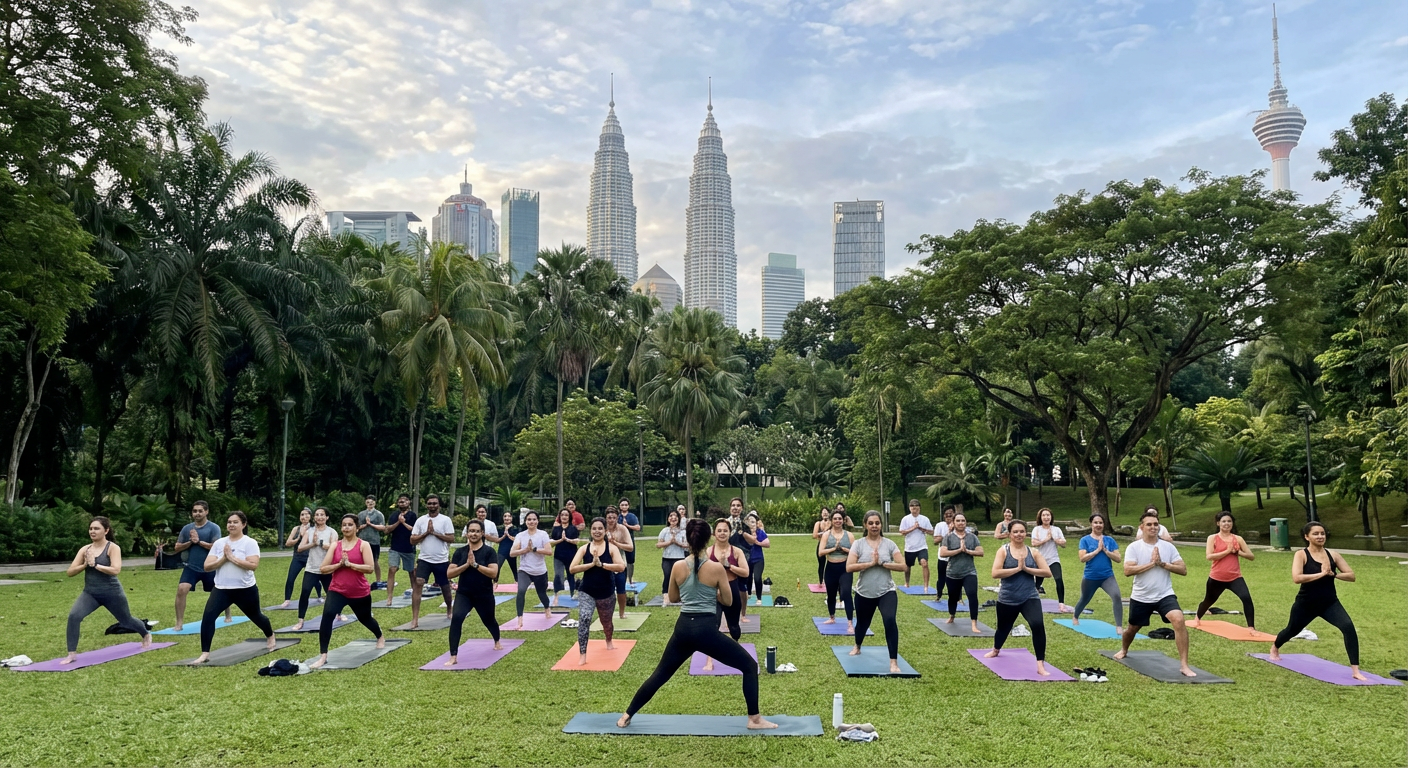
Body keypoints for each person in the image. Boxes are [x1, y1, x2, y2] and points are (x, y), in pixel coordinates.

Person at [618, 518, 776, 731]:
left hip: (683, 628)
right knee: (749, 666)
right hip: (706, 630)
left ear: (688, 540)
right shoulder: (716, 568)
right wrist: (714, 593)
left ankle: (626, 715)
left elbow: (673, 598)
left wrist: (692, 592)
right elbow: (728, 602)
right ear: (707, 539)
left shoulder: (678, 566)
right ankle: (754, 719)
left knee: (661, 674)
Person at [1270, 522, 1365, 680]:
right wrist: (1320, 574)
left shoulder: (1333, 555)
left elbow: (1351, 576)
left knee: (1348, 627)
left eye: (1322, 533)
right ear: (1307, 536)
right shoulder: (1301, 554)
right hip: (1306, 604)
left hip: (1329, 603)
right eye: (1316, 533)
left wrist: (1333, 574)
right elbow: (1297, 578)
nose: (1320, 536)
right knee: (1292, 630)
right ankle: (1275, 647)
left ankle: (1355, 671)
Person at [190, 512, 278, 664]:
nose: (231, 524)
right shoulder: (219, 544)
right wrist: (224, 559)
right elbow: (207, 566)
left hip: (244, 589)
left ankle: (270, 634)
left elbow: (253, 566)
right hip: (222, 589)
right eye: (229, 522)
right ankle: (205, 653)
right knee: (208, 617)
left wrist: (233, 558)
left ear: (243, 524)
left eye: (235, 522)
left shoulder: (249, 543)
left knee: (256, 616)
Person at [62, 517, 152, 663]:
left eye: (96, 528)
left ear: (106, 530)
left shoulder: (112, 548)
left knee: (126, 620)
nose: (92, 531)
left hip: (112, 593)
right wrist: (85, 564)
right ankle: (71, 654)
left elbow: (116, 569)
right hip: (90, 593)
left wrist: (96, 564)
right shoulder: (85, 550)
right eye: (91, 528)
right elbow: (70, 572)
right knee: (74, 616)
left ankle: (145, 634)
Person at [1116, 511, 1194, 678]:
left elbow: (1183, 570)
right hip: (1141, 597)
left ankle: (1184, 665)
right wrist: (1151, 564)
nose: (1153, 527)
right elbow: (1128, 570)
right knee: (1132, 629)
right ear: (1142, 527)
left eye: (1156, 524)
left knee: (1179, 619)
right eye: (1149, 524)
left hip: (1164, 594)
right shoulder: (1134, 547)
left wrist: (1163, 564)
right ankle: (1124, 649)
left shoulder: (1168, 547)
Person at [308, 514, 384, 669]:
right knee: (327, 617)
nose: (347, 527)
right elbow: (323, 568)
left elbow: (369, 568)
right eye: (344, 525)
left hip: (359, 591)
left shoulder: (364, 545)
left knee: (365, 619)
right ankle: (323, 655)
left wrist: (350, 564)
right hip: (337, 590)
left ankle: (380, 636)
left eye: (350, 525)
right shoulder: (336, 545)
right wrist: (339, 565)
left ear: (356, 527)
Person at [986, 520, 1053, 676]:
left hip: (1029, 596)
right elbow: (995, 573)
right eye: (1015, 532)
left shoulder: (1033, 552)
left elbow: (1047, 572)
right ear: (1010, 534)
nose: (1019, 534)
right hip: (1008, 598)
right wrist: (1017, 568)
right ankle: (996, 649)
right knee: (1003, 629)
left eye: (1022, 531)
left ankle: (1040, 665)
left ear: (1026, 533)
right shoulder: (1003, 551)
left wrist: (1026, 569)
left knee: (1037, 625)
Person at [847, 511, 904, 673]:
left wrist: (883, 563)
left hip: (887, 591)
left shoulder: (889, 544)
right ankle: (857, 645)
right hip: (864, 592)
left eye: (877, 523)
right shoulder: (858, 544)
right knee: (863, 624)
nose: (874, 526)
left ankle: (893, 661)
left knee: (890, 620)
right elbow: (849, 567)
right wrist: (871, 563)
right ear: (865, 525)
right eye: (870, 523)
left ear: (881, 525)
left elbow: (903, 566)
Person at [444, 519, 502, 665]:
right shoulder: (460, 552)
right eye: (471, 531)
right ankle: (453, 656)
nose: (473, 534)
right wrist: (466, 565)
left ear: (482, 533)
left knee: (489, 621)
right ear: (466, 533)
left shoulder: (489, 552)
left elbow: (493, 573)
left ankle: (497, 640)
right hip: (465, 593)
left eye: (476, 531)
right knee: (456, 618)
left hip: (484, 594)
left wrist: (475, 565)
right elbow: (449, 574)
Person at [570, 517, 626, 665]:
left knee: (606, 622)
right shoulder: (584, 548)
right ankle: (582, 654)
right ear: (590, 531)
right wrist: (591, 564)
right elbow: (572, 568)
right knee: (584, 617)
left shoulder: (611, 548)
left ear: (605, 531)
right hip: (586, 590)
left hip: (606, 592)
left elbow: (621, 567)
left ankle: (608, 639)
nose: (597, 531)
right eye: (594, 528)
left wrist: (602, 565)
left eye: (600, 528)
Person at [1193, 512, 1257, 630]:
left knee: (1246, 598)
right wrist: (1227, 551)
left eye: (1229, 521)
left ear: (1232, 523)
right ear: (1218, 523)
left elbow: (1251, 556)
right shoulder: (1212, 538)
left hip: (1235, 577)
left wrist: (1238, 552)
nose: (1226, 524)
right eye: (1223, 521)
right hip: (1217, 577)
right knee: (1209, 600)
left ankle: (1251, 627)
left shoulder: (1238, 539)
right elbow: (1209, 556)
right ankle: (1197, 617)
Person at [703, 517, 750, 671]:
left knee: (734, 627)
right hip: (713, 591)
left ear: (730, 533)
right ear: (714, 533)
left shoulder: (736, 551)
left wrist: (729, 566)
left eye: (725, 530)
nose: (722, 533)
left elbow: (746, 572)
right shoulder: (708, 551)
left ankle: (737, 654)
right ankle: (709, 660)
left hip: (731, 589)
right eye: (719, 530)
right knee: (712, 626)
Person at [172, 501, 226, 632]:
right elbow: (177, 547)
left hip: (210, 566)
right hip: (191, 566)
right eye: (195, 511)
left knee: (221, 591)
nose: (197, 513)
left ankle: (228, 615)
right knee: (182, 589)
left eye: (200, 511)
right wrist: (191, 542)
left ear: (206, 512)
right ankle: (179, 623)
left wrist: (199, 542)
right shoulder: (187, 529)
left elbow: (216, 547)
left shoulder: (214, 528)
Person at [409, 494, 455, 629]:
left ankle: (449, 609)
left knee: (445, 587)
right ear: (426, 505)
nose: (432, 506)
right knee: (418, 583)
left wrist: (434, 533)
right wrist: (426, 533)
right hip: (424, 559)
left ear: (439, 505)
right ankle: (415, 619)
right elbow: (412, 540)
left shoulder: (445, 520)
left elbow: (451, 538)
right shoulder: (420, 520)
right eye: (429, 503)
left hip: (441, 560)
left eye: (435, 503)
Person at [1071, 513, 1124, 628]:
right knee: (1085, 599)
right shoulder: (1084, 540)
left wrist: (1106, 551)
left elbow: (1118, 559)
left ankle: (1119, 626)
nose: (1098, 525)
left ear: (1104, 525)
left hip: (1107, 577)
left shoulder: (1109, 540)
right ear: (1091, 524)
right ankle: (1075, 616)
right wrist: (1097, 550)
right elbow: (1082, 558)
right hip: (1090, 577)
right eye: (1096, 522)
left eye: (1100, 523)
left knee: (1116, 596)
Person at [291, 507, 337, 631]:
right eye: (317, 514)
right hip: (311, 568)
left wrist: (321, 543)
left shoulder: (332, 532)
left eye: (322, 514)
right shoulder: (309, 531)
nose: (319, 517)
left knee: (331, 593)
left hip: (326, 568)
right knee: (305, 592)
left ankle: (338, 613)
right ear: (314, 517)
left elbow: (334, 548)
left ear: (327, 517)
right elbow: (300, 548)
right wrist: (313, 543)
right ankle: (300, 620)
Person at [939, 513, 984, 633]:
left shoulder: (972, 537)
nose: (961, 523)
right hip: (952, 573)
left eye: (963, 521)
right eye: (958, 521)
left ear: (966, 522)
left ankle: (974, 623)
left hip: (969, 572)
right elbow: (943, 553)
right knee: (953, 597)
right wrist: (959, 550)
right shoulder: (948, 537)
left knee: (972, 595)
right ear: (953, 523)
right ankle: (952, 616)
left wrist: (968, 551)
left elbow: (980, 552)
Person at [510, 510, 554, 629]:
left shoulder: (543, 534)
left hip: (540, 571)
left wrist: (534, 549)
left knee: (542, 594)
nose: (531, 522)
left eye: (534, 519)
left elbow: (549, 551)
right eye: (529, 519)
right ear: (525, 522)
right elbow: (512, 553)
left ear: (538, 521)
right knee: (521, 591)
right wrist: (525, 550)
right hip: (525, 570)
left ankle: (547, 608)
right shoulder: (520, 536)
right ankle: (520, 619)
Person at [819, 510, 855, 634]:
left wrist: (845, 549)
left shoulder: (849, 535)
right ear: (831, 520)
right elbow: (820, 552)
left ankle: (850, 622)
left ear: (843, 520)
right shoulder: (826, 535)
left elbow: (856, 553)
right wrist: (833, 548)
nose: (837, 521)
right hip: (830, 567)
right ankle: (832, 617)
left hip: (845, 567)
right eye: (835, 519)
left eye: (840, 518)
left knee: (846, 593)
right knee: (831, 594)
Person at [280, 508, 323, 608]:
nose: (304, 517)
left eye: (307, 515)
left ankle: (320, 596)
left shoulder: (314, 528)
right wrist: (299, 536)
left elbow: (317, 543)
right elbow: (288, 543)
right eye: (302, 515)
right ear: (300, 517)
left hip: (310, 558)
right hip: (298, 558)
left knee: (315, 580)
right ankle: (287, 600)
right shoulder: (296, 529)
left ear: (311, 516)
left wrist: (307, 536)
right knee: (290, 578)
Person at [1031, 508, 1069, 611]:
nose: (1046, 517)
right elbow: (1034, 543)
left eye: (1048, 515)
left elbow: (1064, 544)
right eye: (1044, 515)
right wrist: (1046, 539)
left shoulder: (1056, 529)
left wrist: (1055, 539)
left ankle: (1061, 603)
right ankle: (1031, 601)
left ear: (1051, 517)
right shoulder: (1037, 529)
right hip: (1040, 559)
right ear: (1040, 517)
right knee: (1037, 583)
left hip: (1053, 559)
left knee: (1058, 579)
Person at [383, 494, 417, 607]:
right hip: (395, 548)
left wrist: (403, 522)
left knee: (411, 572)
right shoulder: (394, 515)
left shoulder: (413, 516)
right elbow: (387, 530)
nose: (402, 502)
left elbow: (414, 530)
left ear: (409, 502)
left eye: (405, 500)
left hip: (408, 548)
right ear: (398, 503)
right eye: (400, 501)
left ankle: (415, 594)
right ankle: (389, 597)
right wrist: (398, 522)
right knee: (392, 569)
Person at [605, 509, 635, 618]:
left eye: (614, 518)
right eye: (609, 518)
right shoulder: (602, 529)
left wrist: (615, 543)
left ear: (617, 518)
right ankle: (608, 612)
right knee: (607, 591)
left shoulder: (622, 529)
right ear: (606, 518)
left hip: (620, 564)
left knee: (621, 590)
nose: (612, 520)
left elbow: (630, 547)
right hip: (605, 565)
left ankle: (622, 612)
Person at [899, 499, 933, 592]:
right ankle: (907, 583)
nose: (914, 508)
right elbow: (902, 532)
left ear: (919, 508)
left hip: (922, 546)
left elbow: (932, 531)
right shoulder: (906, 519)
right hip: (910, 547)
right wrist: (913, 528)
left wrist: (923, 529)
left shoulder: (924, 519)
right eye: (912, 506)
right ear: (910, 508)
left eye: (916, 506)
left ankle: (926, 586)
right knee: (908, 566)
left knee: (924, 563)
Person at [655, 509, 688, 603]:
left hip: (680, 558)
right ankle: (666, 596)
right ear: (668, 519)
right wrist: (669, 542)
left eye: (675, 516)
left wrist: (678, 543)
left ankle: (681, 595)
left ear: (678, 519)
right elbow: (658, 545)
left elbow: (688, 545)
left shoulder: (683, 532)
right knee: (667, 576)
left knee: (681, 577)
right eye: (671, 516)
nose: (673, 518)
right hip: (667, 558)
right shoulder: (664, 531)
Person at [549, 509, 581, 606]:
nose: (564, 517)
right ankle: (557, 595)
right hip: (559, 556)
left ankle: (572, 594)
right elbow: (551, 543)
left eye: (566, 515)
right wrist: (560, 540)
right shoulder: (556, 529)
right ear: (559, 517)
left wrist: (567, 539)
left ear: (569, 517)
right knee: (558, 576)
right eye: (562, 515)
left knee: (571, 575)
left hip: (571, 556)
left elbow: (577, 541)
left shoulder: (573, 528)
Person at [356, 495, 386, 585]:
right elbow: (357, 527)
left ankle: (378, 580)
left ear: (375, 503)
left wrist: (371, 524)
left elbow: (382, 527)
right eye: (368, 502)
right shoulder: (361, 514)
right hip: (362, 540)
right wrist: (365, 525)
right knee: (359, 560)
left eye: (372, 502)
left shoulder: (379, 514)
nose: (370, 504)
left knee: (375, 560)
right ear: (365, 503)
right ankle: (359, 580)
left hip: (374, 541)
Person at [742, 513, 769, 608]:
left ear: (757, 523)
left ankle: (759, 598)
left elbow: (767, 544)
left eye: (753, 522)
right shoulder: (744, 534)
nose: (752, 524)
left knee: (757, 578)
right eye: (750, 522)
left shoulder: (760, 532)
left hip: (758, 559)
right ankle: (748, 593)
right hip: (747, 559)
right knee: (748, 577)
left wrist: (757, 542)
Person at [932, 506, 956, 605]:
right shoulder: (940, 525)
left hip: (954, 557)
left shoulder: (958, 525)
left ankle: (957, 597)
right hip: (942, 557)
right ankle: (938, 595)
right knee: (941, 577)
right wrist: (948, 533)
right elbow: (935, 541)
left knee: (955, 578)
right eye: (946, 514)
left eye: (951, 514)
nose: (948, 516)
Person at [494, 510, 523, 583]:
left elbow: (516, 539)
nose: (507, 518)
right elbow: (497, 540)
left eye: (509, 516)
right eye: (505, 516)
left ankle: (517, 581)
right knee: (497, 566)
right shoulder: (500, 528)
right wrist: (504, 534)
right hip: (502, 550)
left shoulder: (515, 528)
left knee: (514, 567)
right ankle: (495, 582)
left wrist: (508, 535)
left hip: (512, 550)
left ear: (512, 518)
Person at [619, 497, 642, 583]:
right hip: (618, 542)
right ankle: (621, 578)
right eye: (622, 505)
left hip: (629, 541)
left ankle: (630, 579)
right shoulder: (617, 516)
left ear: (628, 506)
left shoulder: (632, 516)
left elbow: (637, 527)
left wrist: (627, 525)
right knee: (619, 560)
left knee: (630, 560)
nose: (624, 506)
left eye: (626, 505)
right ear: (619, 506)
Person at [810, 505, 832, 586]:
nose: (825, 514)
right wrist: (823, 533)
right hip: (821, 544)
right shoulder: (818, 523)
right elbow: (814, 535)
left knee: (831, 563)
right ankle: (820, 581)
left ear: (829, 514)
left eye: (826, 513)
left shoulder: (832, 522)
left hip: (831, 544)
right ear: (821, 514)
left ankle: (830, 580)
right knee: (821, 563)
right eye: (823, 513)